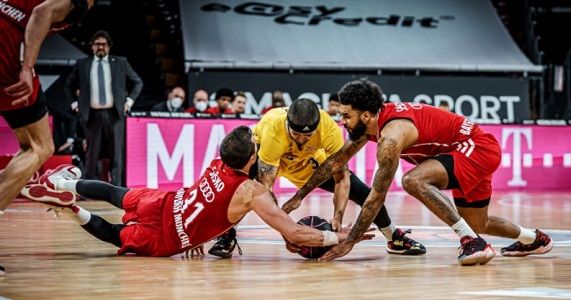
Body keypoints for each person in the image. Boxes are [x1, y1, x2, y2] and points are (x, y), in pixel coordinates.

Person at [282, 79, 553, 265]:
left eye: (346, 116)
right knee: (478, 222)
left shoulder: (391, 137)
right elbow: (335, 162)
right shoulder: (371, 126)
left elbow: (376, 197)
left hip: (476, 149)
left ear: (365, 115)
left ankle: (471, 241)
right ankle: (533, 239)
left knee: (412, 180)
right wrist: (300, 195)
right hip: (466, 152)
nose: (341, 121)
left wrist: (350, 242)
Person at [20, 126, 372, 256]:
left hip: (165, 202)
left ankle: (61, 184)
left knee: (114, 192)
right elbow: (293, 232)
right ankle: (72, 210)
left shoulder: (218, 162)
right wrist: (340, 237)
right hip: (171, 236)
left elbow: (212, 201)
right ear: (252, 159)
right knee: (115, 235)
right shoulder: (251, 191)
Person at [208, 98, 425, 258]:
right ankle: (226, 236)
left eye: (307, 136)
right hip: (272, 160)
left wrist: (337, 216)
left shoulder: (328, 129)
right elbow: (267, 190)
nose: (302, 139)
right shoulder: (274, 129)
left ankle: (393, 238)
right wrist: (287, 234)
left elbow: (342, 178)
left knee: (363, 192)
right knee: (243, 189)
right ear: (288, 126)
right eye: (297, 135)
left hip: (307, 162)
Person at [0, 0, 94, 213]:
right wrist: (27, 67)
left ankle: (14, 180)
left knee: (29, 145)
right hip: (7, 48)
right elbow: (42, 12)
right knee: (40, 147)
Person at [65, 30, 143, 186]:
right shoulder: (83, 64)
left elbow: (137, 82)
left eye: (104, 44)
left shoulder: (120, 62)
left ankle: (117, 188)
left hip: (114, 113)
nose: (100, 47)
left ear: (109, 46)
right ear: (92, 46)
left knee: (116, 153)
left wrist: (129, 101)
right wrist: (75, 103)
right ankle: (89, 188)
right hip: (91, 114)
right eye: (97, 44)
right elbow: (68, 85)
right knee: (91, 153)